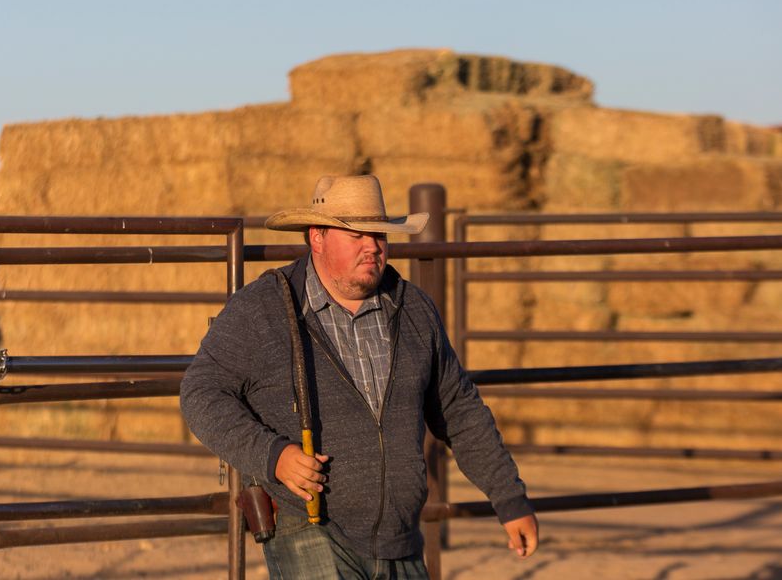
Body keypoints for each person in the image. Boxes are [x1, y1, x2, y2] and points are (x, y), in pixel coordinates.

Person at [180, 175, 538, 579]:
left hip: (400, 535)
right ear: (317, 237)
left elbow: (459, 409)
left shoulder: (415, 310)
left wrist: (510, 499)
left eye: (379, 234)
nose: (372, 245)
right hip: (309, 526)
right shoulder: (263, 309)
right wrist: (273, 456)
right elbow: (200, 393)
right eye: (356, 234)